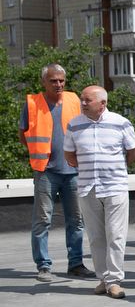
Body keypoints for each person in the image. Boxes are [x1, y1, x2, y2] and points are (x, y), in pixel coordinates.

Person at [62, 86, 135, 299]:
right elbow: (69, 154)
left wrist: (119, 167)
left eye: (88, 100)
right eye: (82, 99)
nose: (83, 103)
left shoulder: (120, 122)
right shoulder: (74, 124)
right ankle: (103, 278)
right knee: (96, 237)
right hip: (87, 187)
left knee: (115, 235)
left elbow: (133, 150)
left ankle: (114, 280)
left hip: (115, 186)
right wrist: (89, 165)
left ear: (102, 103)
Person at [20, 63, 93, 282]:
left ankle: (76, 264)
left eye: (61, 80)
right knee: (42, 220)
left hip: (73, 171)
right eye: (53, 81)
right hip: (46, 171)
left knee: (76, 220)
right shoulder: (32, 103)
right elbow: (23, 135)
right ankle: (43, 266)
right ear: (44, 82)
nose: (58, 84)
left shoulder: (74, 100)